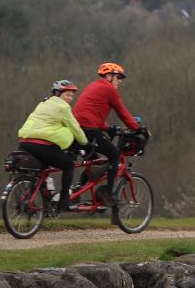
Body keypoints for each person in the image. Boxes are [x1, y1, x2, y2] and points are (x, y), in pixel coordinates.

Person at [73, 61, 143, 198]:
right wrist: (137, 127)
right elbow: (122, 111)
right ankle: (108, 193)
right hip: (89, 130)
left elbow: (91, 113)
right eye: (119, 77)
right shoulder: (108, 89)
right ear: (109, 76)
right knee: (115, 155)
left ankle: (75, 190)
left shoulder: (93, 86)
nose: (120, 81)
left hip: (78, 129)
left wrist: (107, 127)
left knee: (94, 163)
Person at [17, 79, 87, 211]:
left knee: (42, 170)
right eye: (67, 95)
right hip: (41, 145)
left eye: (72, 96)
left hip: (25, 143)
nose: (70, 98)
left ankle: (44, 200)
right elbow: (75, 128)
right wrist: (85, 143)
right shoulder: (63, 107)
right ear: (57, 94)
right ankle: (64, 201)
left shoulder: (43, 103)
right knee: (68, 165)